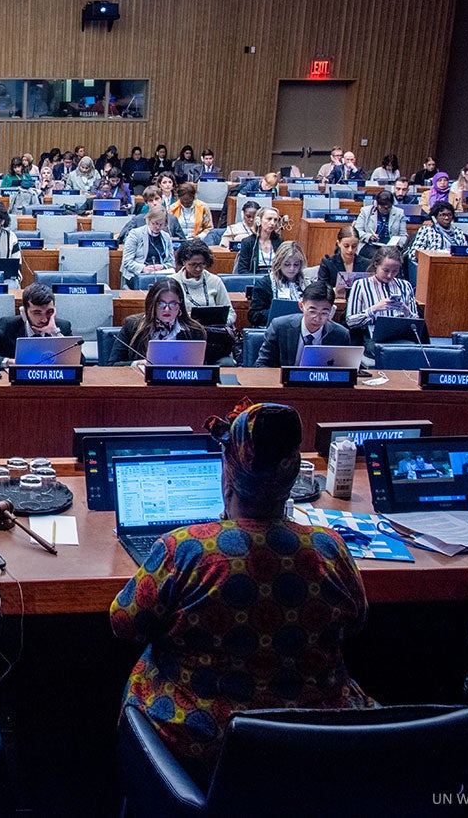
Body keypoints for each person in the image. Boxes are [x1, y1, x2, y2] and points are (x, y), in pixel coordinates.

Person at [110, 401, 372, 783]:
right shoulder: (329, 547)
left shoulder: (185, 549)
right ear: (293, 478)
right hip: (318, 748)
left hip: (200, 744)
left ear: (227, 479)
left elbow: (122, 624)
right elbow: (358, 622)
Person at [0, 283, 75, 370]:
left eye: (49, 312)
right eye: (37, 313)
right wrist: (12, 363)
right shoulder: (8, 325)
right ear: (24, 312)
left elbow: (80, 361)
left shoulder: (62, 327)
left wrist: (55, 333)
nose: (44, 319)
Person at [110, 276, 210, 367]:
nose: (167, 309)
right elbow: (112, 365)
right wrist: (137, 363)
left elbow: (203, 367)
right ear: (152, 304)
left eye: (173, 304)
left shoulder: (194, 331)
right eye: (161, 304)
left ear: (180, 304)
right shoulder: (132, 326)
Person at [256, 281, 350, 367]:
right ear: (301, 306)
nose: (317, 318)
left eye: (324, 313)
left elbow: (345, 371)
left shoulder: (341, 335)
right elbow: (262, 364)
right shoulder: (280, 327)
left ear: (331, 310)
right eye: (312, 311)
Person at [345, 246, 417, 330]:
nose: (390, 275)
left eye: (395, 271)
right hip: (372, 333)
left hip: (400, 333)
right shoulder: (361, 285)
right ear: (376, 265)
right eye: (386, 270)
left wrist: (406, 310)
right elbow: (351, 322)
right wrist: (375, 309)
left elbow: (416, 322)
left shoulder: (405, 286)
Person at [246, 240, 306, 327]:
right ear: (279, 263)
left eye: (296, 264)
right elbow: (254, 316)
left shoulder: (306, 284)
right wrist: (277, 312)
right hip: (273, 330)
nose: (292, 269)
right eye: (287, 264)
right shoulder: (264, 284)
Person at [234, 207, 283, 273]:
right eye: (269, 219)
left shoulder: (279, 241)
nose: (272, 223)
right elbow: (242, 270)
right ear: (258, 220)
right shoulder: (248, 242)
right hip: (254, 279)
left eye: (275, 220)